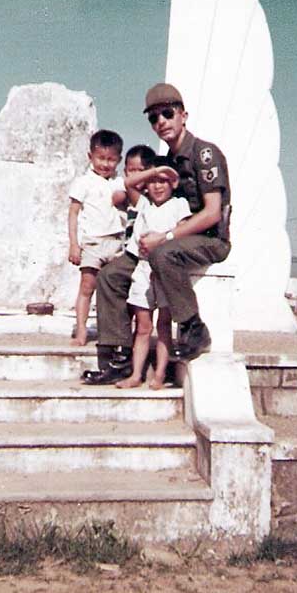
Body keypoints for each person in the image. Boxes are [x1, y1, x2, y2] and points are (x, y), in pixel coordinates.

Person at [83, 83, 231, 385]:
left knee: (165, 254)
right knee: (110, 275)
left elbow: (212, 212)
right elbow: (131, 183)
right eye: (154, 118)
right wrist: (153, 173)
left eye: (167, 113)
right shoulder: (168, 160)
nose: (161, 122)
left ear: (183, 115)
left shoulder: (204, 154)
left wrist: (165, 237)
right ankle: (118, 358)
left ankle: (193, 328)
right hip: (167, 242)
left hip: (208, 240)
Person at [116, 156, 191, 389]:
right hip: (143, 269)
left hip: (166, 271)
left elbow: (182, 230)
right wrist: (154, 170)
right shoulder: (144, 205)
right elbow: (129, 183)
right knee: (143, 326)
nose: (158, 186)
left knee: (164, 325)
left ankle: (159, 374)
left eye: (164, 181)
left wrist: (160, 241)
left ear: (174, 183)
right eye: (153, 181)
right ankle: (136, 374)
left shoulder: (179, 204)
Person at [67, 129, 126, 346]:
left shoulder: (120, 182)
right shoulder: (83, 182)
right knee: (87, 286)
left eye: (111, 159)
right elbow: (73, 213)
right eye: (101, 158)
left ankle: (112, 332)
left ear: (119, 159)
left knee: (114, 290)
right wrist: (74, 244)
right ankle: (81, 330)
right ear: (90, 156)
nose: (105, 164)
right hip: (92, 242)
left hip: (116, 243)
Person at [122, 144, 156, 247]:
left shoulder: (151, 197)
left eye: (141, 171)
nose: (136, 175)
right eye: (131, 170)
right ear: (125, 171)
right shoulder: (121, 192)